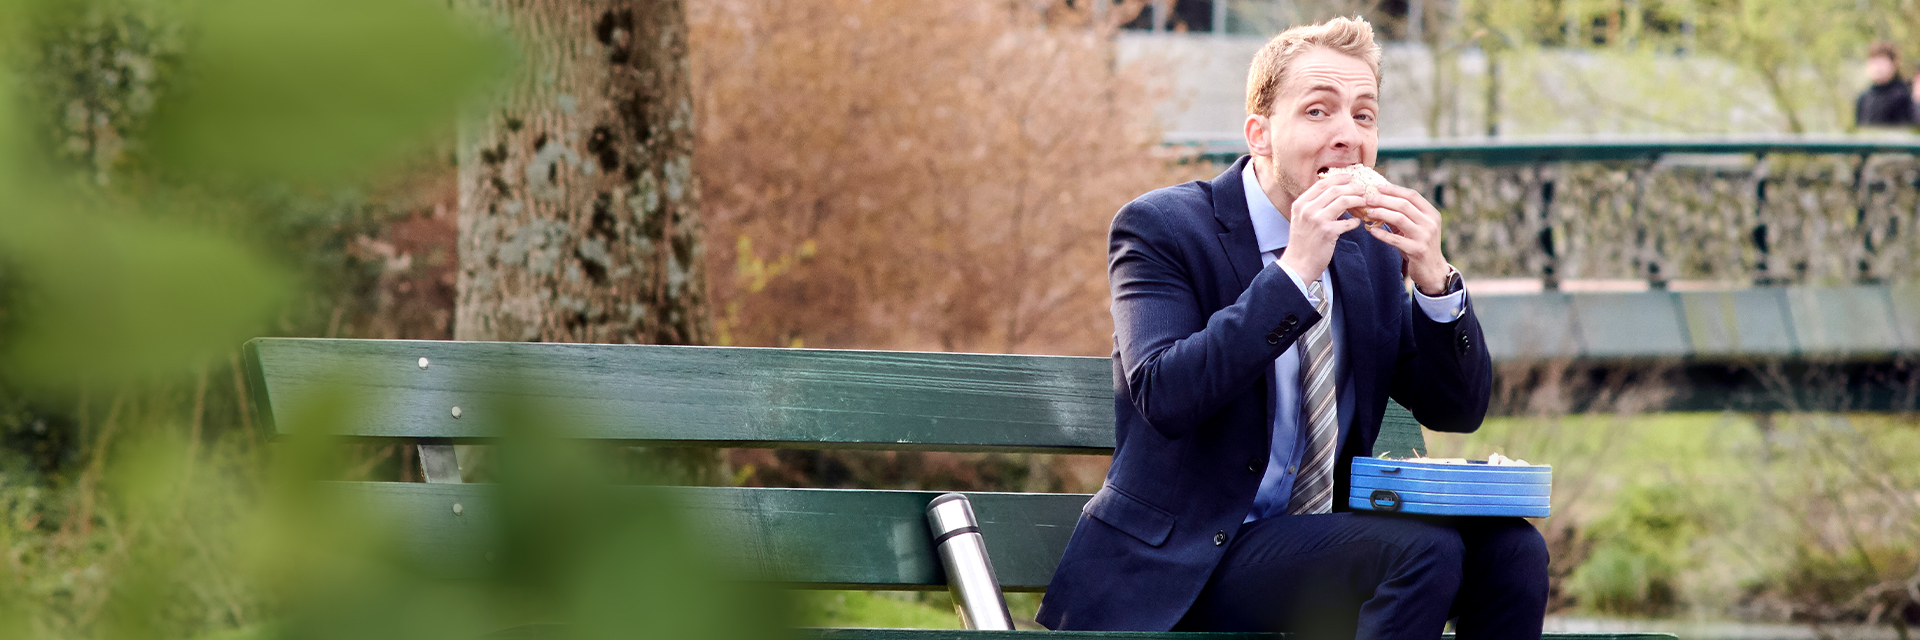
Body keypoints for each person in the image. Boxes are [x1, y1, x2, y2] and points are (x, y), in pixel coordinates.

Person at [1035, 16, 1546, 639]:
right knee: (1420, 550)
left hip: (1321, 546)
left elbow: (1456, 409)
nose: (1346, 136)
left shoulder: (1373, 254)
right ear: (1260, 135)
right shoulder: (1162, 229)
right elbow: (1165, 395)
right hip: (1185, 564)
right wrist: (1296, 271)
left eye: (1364, 116)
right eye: (1317, 112)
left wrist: (1436, 281)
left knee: (1514, 551)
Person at [1856, 41, 1914, 127]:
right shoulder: (1864, 98)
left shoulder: (1902, 95)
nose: (1878, 67)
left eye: (1882, 62)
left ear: (1894, 64)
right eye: (1875, 61)